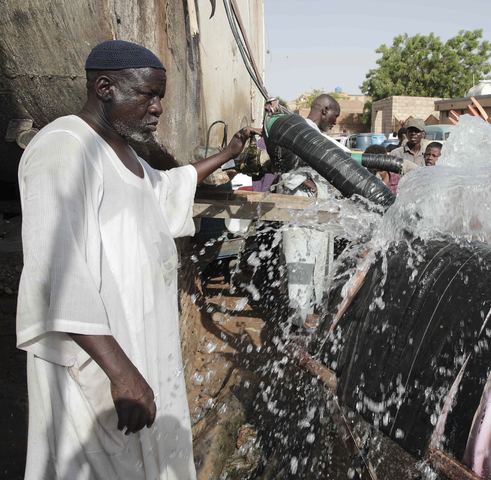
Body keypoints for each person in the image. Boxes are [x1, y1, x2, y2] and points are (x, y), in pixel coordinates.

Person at [16, 40, 260, 480]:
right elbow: (57, 270)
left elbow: (167, 188)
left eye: (160, 96)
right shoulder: (64, 148)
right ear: (105, 87)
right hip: (93, 360)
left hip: (135, 347)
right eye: (148, 94)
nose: (158, 108)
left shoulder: (123, 153)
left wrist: (226, 155)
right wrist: (122, 372)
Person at [274, 94, 345, 330]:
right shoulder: (299, 130)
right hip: (301, 211)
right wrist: (310, 185)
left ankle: (308, 314)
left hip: (318, 214)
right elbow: (283, 164)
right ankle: (299, 319)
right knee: (300, 265)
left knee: (317, 266)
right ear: (324, 110)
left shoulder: (316, 135)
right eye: (335, 116)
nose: (335, 121)